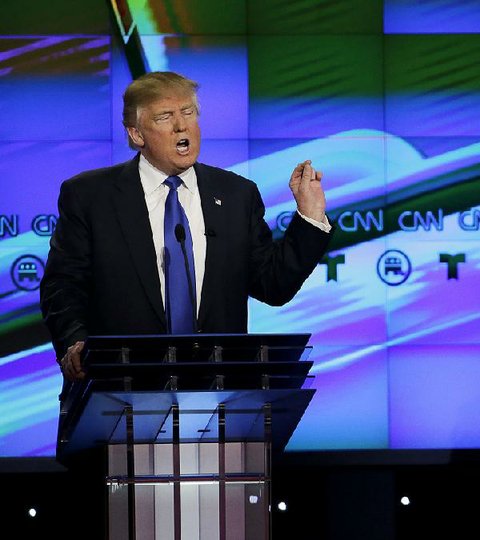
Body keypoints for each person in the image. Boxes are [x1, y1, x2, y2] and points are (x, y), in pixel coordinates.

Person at [41, 71, 331, 384]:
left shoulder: (236, 195)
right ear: (137, 134)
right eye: (165, 116)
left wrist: (309, 216)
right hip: (121, 392)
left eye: (188, 113)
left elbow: (273, 285)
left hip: (222, 397)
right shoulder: (90, 196)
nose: (182, 126)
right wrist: (75, 343)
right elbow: (63, 285)